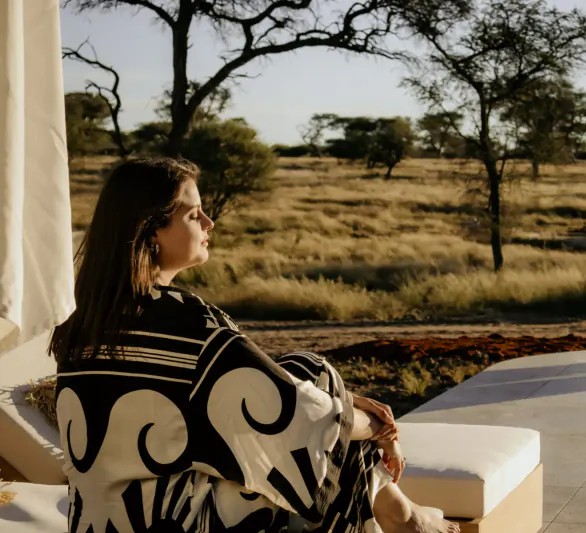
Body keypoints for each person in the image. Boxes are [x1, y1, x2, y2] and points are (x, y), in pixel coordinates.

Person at [49, 157, 459, 533]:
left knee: (307, 385)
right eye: (194, 215)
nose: (209, 222)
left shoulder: (79, 328)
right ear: (152, 228)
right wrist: (378, 428)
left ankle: (402, 514)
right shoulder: (188, 323)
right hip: (170, 524)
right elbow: (303, 421)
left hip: (97, 523)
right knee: (315, 376)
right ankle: (403, 518)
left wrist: (345, 408)